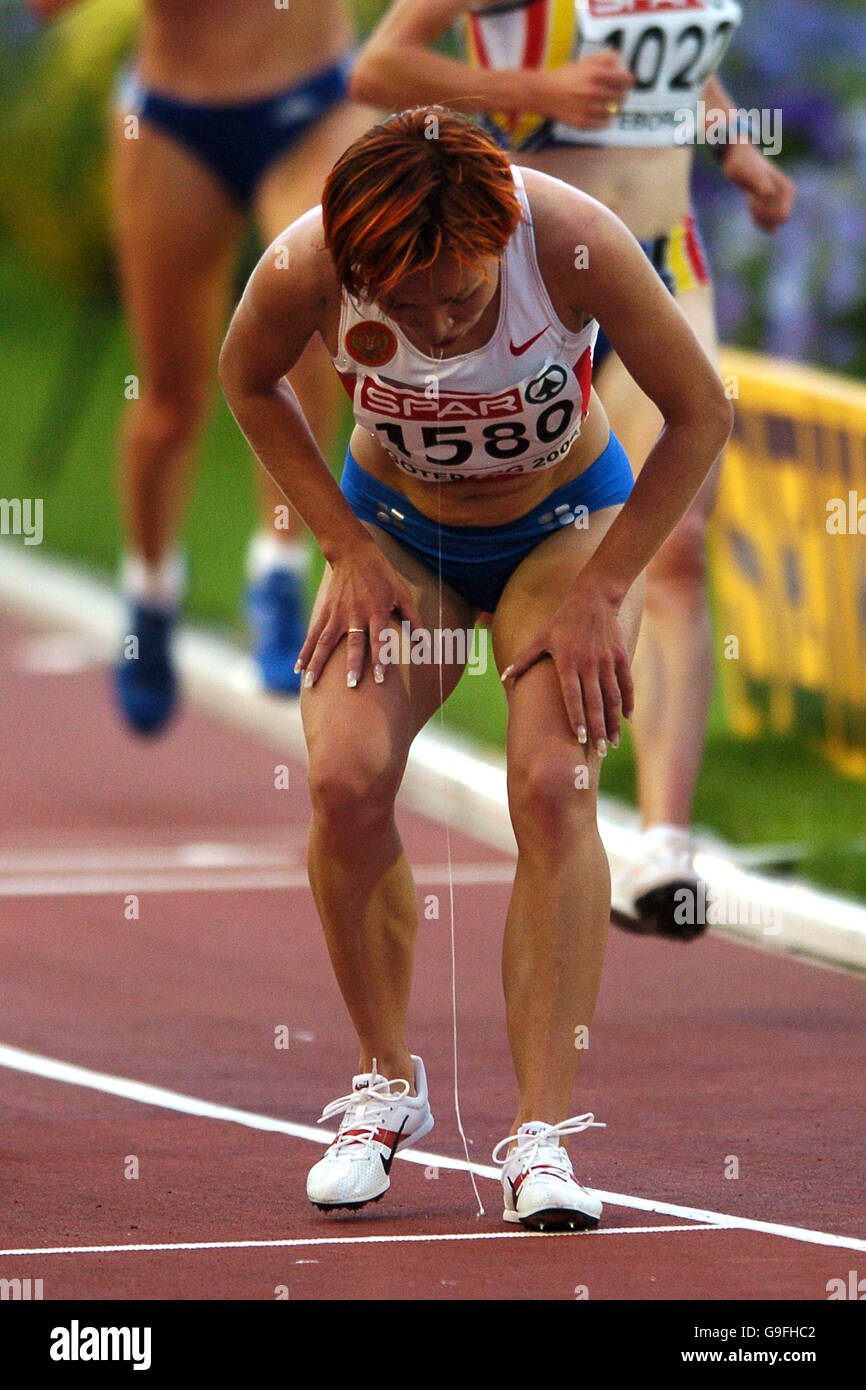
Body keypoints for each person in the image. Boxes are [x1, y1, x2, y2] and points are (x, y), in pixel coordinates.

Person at [219, 108, 732, 1229]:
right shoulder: (305, 261)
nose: (438, 325)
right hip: (398, 532)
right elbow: (244, 379)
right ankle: (382, 1082)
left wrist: (608, 585)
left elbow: (701, 413)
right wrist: (343, 545)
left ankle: (539, 1137)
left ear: (498, 240)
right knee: (345, 779)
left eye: (458, 298)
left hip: (564, 530)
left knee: (552, 785)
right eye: (404, 308)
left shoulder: (571, 241)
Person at [348, 0, 796, 938]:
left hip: (666, 259)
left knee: (676, 545)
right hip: (543, 287)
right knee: (568, 519)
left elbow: (675, 69)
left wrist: (733, 148)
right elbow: (378, 70)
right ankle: (548, 763)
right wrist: (531, 93)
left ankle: (665, 845)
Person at [26, 0, 376, 729]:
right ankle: (150, 595)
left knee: (312, 330)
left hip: (314, 102)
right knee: (170, 399)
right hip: (175, 119)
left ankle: (278, 574)